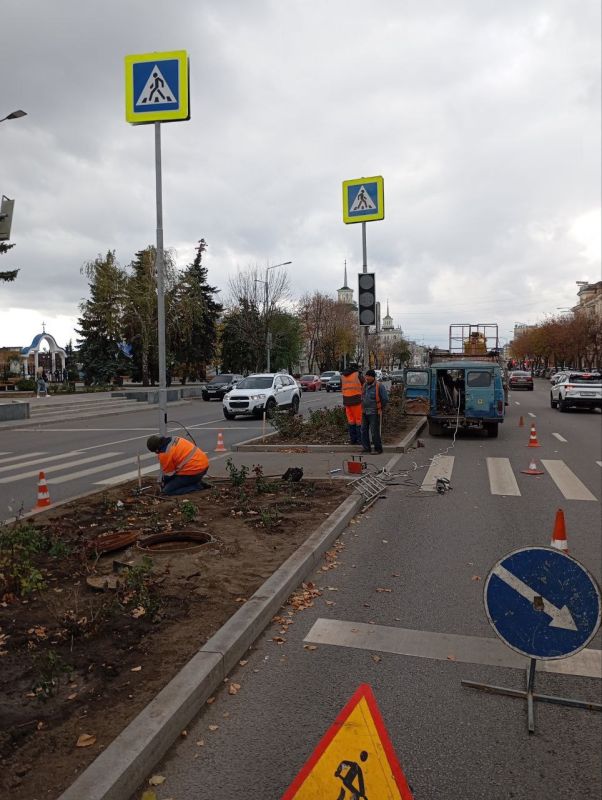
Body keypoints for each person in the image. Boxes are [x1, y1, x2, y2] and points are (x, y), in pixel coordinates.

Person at [360, 369, 388, 454]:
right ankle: (366, 448)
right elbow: (363, 396)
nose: (367, 378)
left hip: (374, 412)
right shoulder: (365, 385)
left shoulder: (379, 386)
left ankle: (378, 449)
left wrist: (379, 408)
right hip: (364, 412)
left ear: (373, 377)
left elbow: (385, 399)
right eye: (366, 376)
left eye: (368, 376)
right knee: (363, 430)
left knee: (374, 431)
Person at [341, 363, 365, 444]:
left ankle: (353, 440)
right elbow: (364, 384)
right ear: (356, 368)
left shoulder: (343, 375)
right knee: (359, 420)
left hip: (346, 401)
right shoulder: (357, 375)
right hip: (356, 400)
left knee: (351, 421)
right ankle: (360, 440)